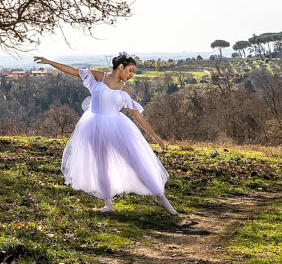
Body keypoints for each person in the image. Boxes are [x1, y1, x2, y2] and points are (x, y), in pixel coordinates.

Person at [34, 53, 179, 215]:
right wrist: (49, 62)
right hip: (93, 126)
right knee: (101, 164)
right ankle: (108, 203)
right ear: (121, 67)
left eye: (133, 72)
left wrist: (155, 136)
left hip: (118, 127)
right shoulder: (97, 77)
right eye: (130, 71)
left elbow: (137, 116)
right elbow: (73, 71)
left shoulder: (125, 91)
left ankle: (159, 195)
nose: (131, 75)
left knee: (134, 160)